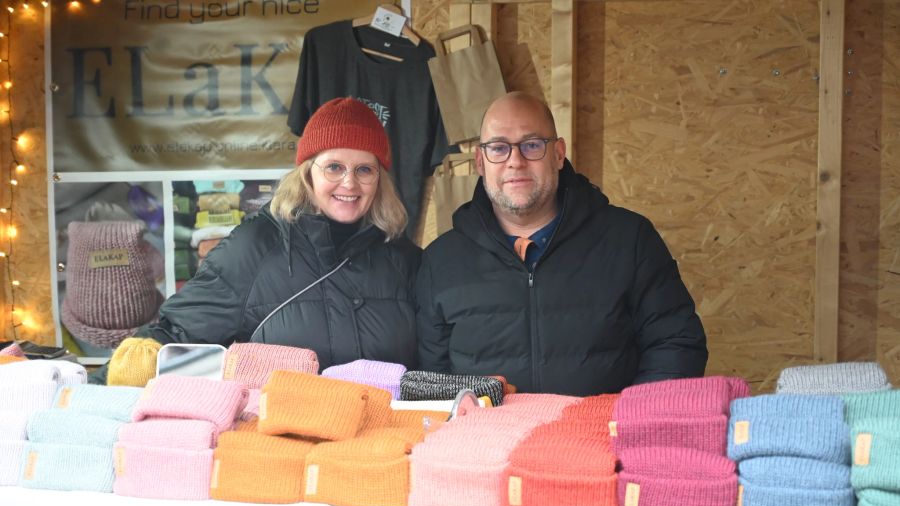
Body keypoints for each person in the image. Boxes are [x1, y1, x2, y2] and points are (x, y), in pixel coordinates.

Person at [92, 97, 421, 383]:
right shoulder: (256, 245)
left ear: (380, 179)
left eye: (365, 169)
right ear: (307, 173)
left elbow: (431, 363)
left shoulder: (403, 259)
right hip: (278, 447)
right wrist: (93, 389)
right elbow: (178, 334)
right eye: (334, 167)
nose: (349, 183)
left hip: (384, 446)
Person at [415, 92, 707, 395]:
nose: (515, 161)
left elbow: (676, 346)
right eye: (499, 148)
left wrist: (631, 422)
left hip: (605, 438)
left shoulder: (629, 240)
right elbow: (432, 381)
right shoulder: (440, 262)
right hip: (490, 441)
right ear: (480, 161)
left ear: (558, 153)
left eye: (532, 145)